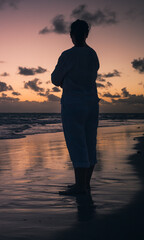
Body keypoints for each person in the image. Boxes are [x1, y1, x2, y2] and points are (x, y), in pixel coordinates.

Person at [51, 19, 100, 195]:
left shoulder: (67, 55)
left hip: (73, 104)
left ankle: (80, 186)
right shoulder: (93, 54)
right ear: (86, 34)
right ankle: (85, 184)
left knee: (77, 144)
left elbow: (55, 79)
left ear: (71, 35)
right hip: (91, 103)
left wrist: (65, 80)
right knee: (89, 143)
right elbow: (91, 76)